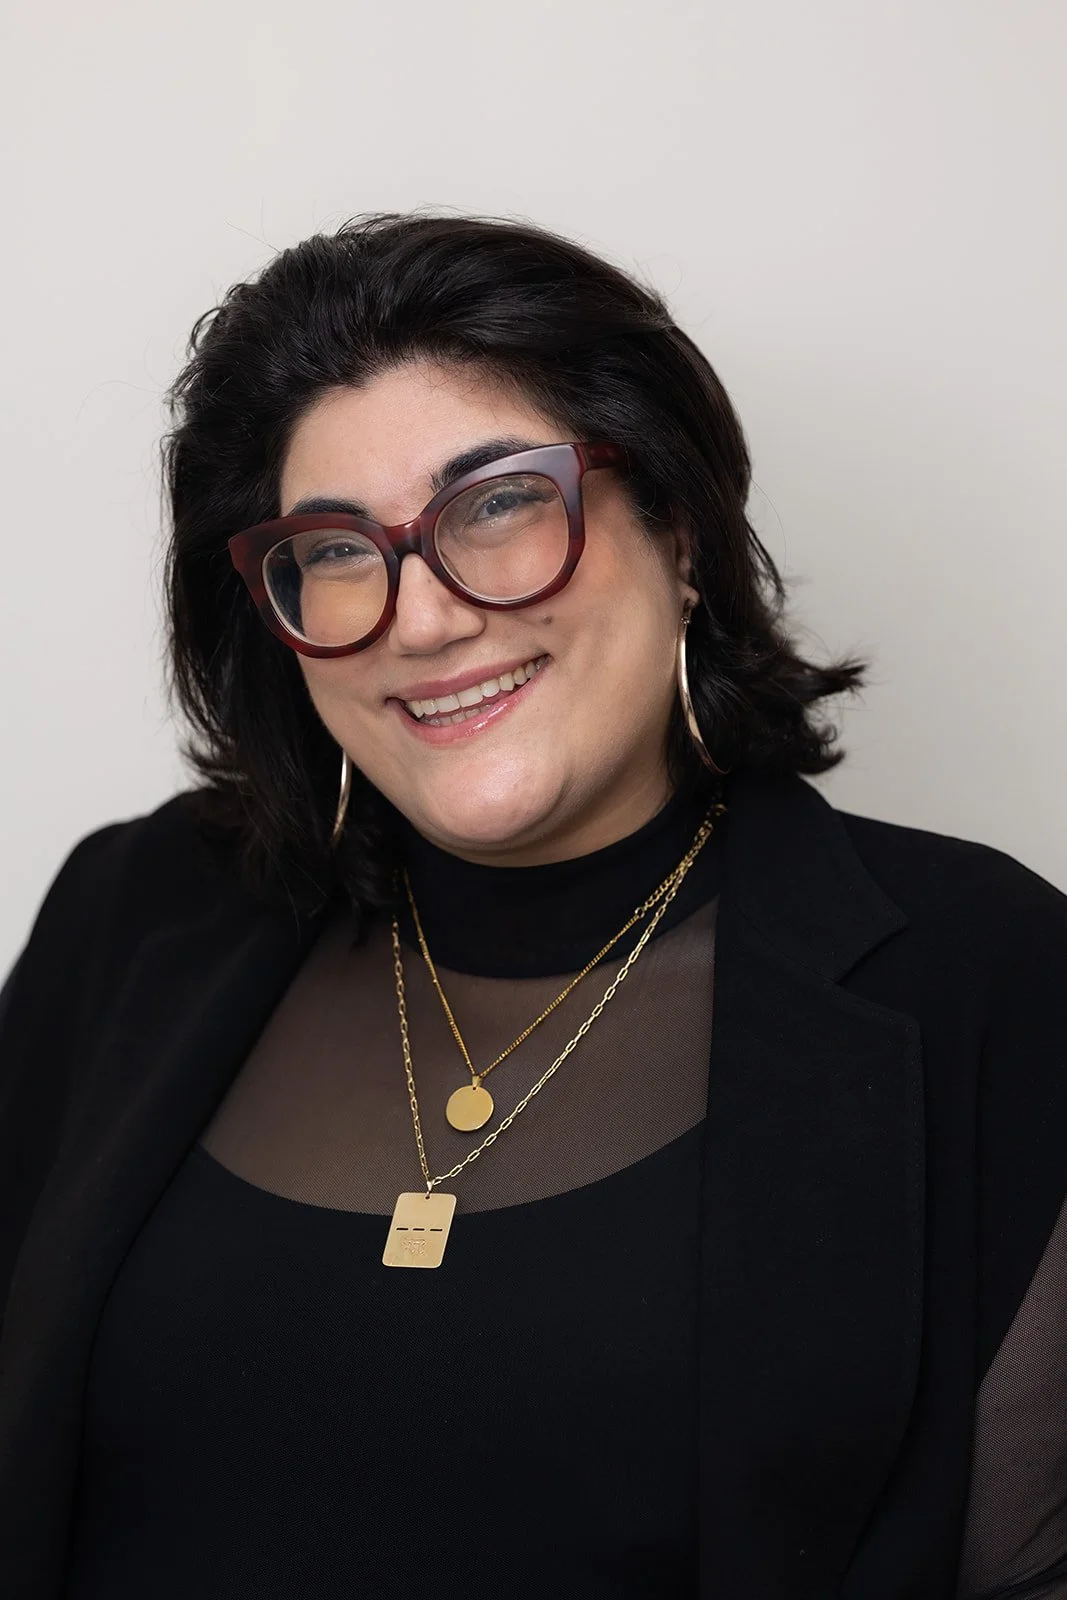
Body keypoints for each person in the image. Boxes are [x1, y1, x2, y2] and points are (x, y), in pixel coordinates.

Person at [0, 213, 1064, 1600]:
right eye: (332, 548)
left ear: (676, 529)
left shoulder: (985, 975)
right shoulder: (136, 913)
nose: (422, 616)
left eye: (496, 502)